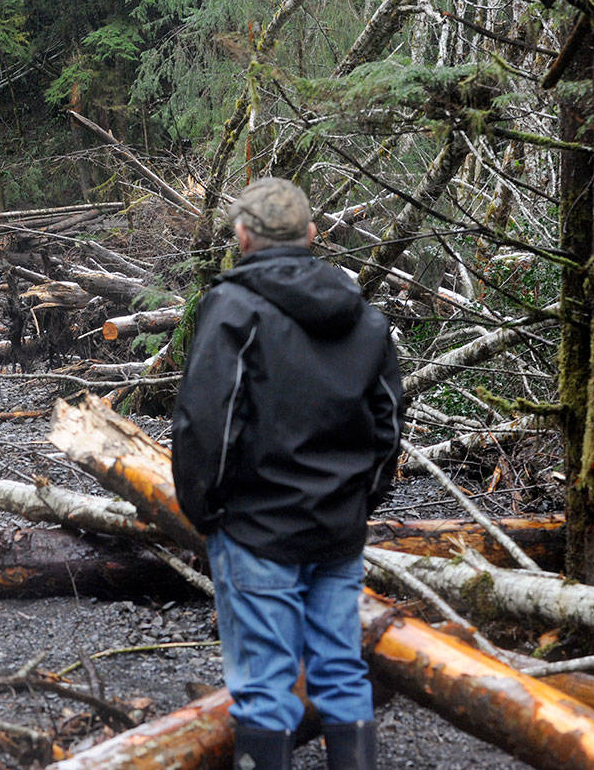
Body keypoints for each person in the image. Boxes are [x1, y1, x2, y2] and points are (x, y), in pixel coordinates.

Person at [171, 177, 404, 770]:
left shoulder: (232, 307)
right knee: (341, 669)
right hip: (337, 530)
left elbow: (206, 423)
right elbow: (388, 424)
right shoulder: (364, 315)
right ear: (310, 234)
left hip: (257, 532)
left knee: (263, 686)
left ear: (242, 235)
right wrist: (361, 503)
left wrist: (204, 510)